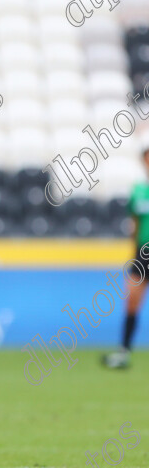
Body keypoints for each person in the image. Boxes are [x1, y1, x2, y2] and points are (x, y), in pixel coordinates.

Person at [104, 146, 149, 369]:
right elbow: (136, 224)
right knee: (131, 300)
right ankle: (124, 352)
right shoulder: (139, 191)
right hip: (143, 254)